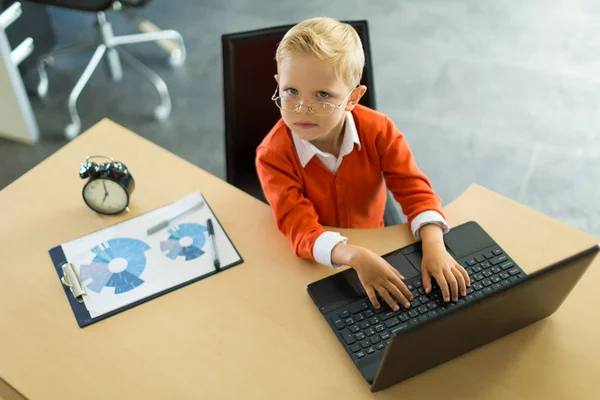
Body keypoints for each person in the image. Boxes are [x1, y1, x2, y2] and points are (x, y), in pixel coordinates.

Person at [256, 17, 470, 311]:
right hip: (321, 260)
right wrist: (355, 256)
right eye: (291, 92)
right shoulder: (273, 155)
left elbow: (414, 189)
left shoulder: (380, 130)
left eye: (322, 95)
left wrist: (434, 244)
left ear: (353, 98)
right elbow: (300, 228)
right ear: (279, 84)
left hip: (375, 239)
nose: (302, 109)